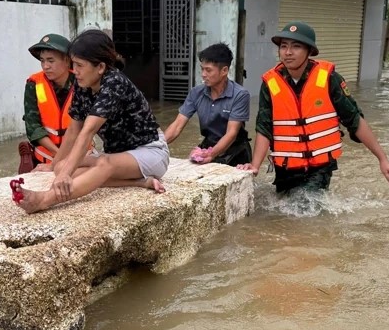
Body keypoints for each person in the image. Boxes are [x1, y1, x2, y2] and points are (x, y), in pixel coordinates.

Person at [13, 29, 170, 214]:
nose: (75, 71)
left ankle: (43, 200)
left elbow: (87, 131)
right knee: (62, 166)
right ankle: (140, 182)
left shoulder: (114, 83)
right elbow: (73, 130)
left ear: (100, 67)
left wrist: (64, 177)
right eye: (73, 64)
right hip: (118, 155)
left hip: (150, 151)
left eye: (79, 65)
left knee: (102, 163)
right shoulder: (83, 84)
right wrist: (55, 167)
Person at [237, 21, 389, 193]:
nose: (288, 52)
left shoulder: (329, 79)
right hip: (285, 167)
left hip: (319, 168)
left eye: (296, 46)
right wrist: (255, 166)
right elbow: (264, 127)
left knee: (306, 205)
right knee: (282, 206)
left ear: (309, 51)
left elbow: (355, 121)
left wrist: (383, 159)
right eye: (283, 46)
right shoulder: (270, 83)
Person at [163, 43, 252, 166]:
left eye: (208, 70)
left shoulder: (240, 95)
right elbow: (177, 125)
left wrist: (211, 155)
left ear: (224, 71)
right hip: (209, 145)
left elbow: (231, 134)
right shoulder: (196, 92)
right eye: (202, 69)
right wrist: (157, 146)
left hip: (235, 151)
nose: (203, 74)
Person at [19, 33, 76, 174]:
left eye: (51, 61)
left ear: (67, 60)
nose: (45, 66)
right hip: (47, 158)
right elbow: (33, 127)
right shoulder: (33, 84)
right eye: (42, 61)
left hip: (80, 155)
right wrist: (59, 155)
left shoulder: (82, 82)